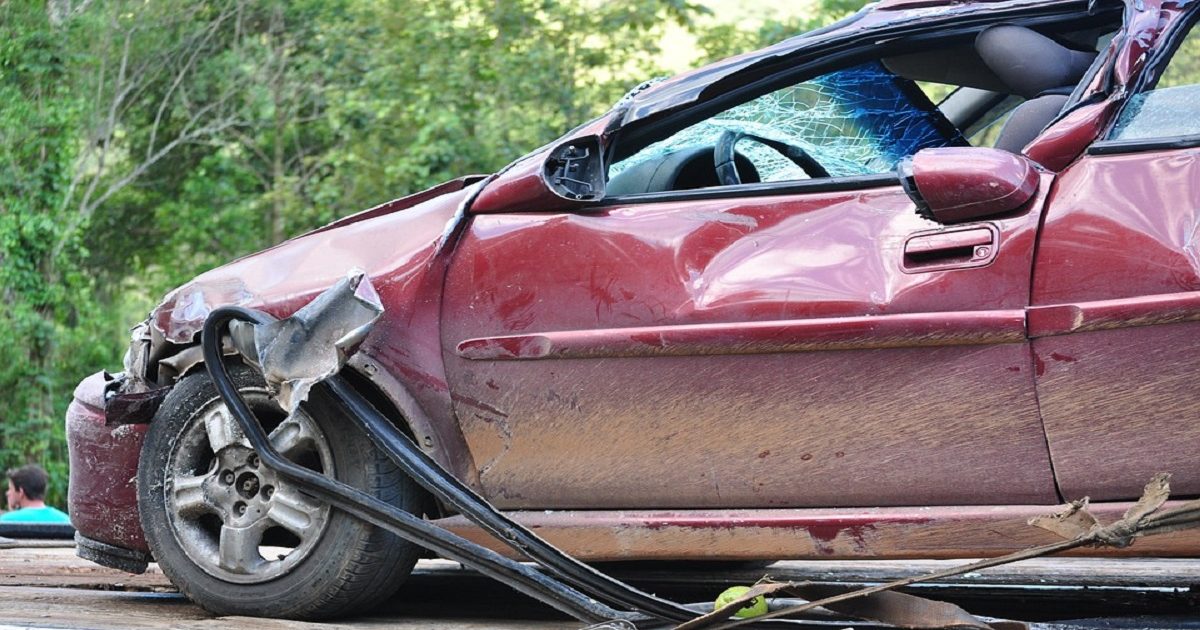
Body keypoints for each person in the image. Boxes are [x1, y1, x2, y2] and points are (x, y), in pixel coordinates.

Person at [1, 464, 71, 524]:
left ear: (21, 492)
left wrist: (11, 512)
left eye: (10, 489)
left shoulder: (5, 521)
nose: (7, 493)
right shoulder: (66, 521)